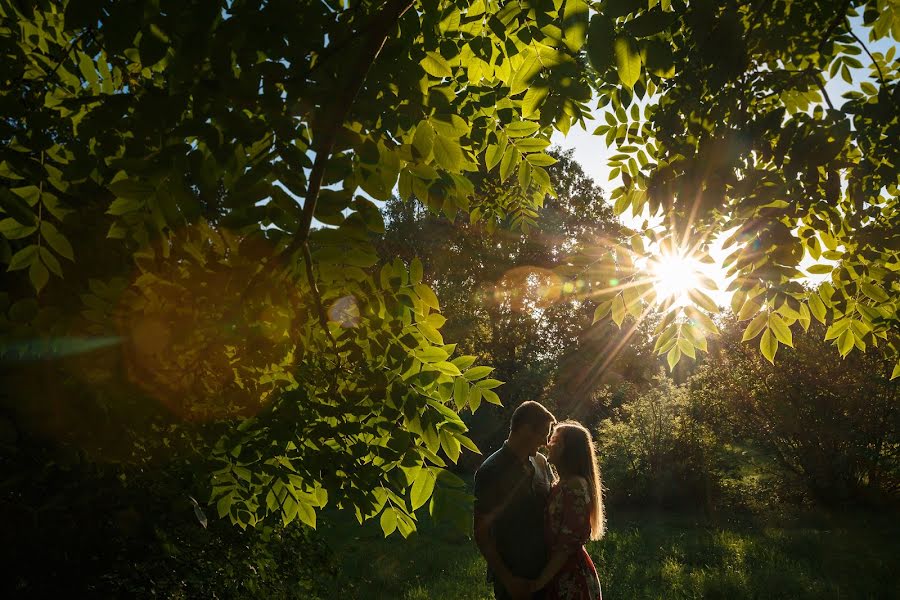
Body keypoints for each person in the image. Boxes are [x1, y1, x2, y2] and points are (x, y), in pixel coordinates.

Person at [474, 401, 557, 599]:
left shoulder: (540, 462)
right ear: (526, 430)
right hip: (514, 577)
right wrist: (509, 580)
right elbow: (481, 533)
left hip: (545, 572)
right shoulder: (491, 471)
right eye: (544, 433)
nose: (546, 443)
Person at [528, 420, 604, 600]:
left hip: (570, 577)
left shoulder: (576, 486)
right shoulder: (562, 483)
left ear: (567, 449)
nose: (548, 445)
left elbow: (567, 544)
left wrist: (540, 582)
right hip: (558, 572)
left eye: (555, 441)